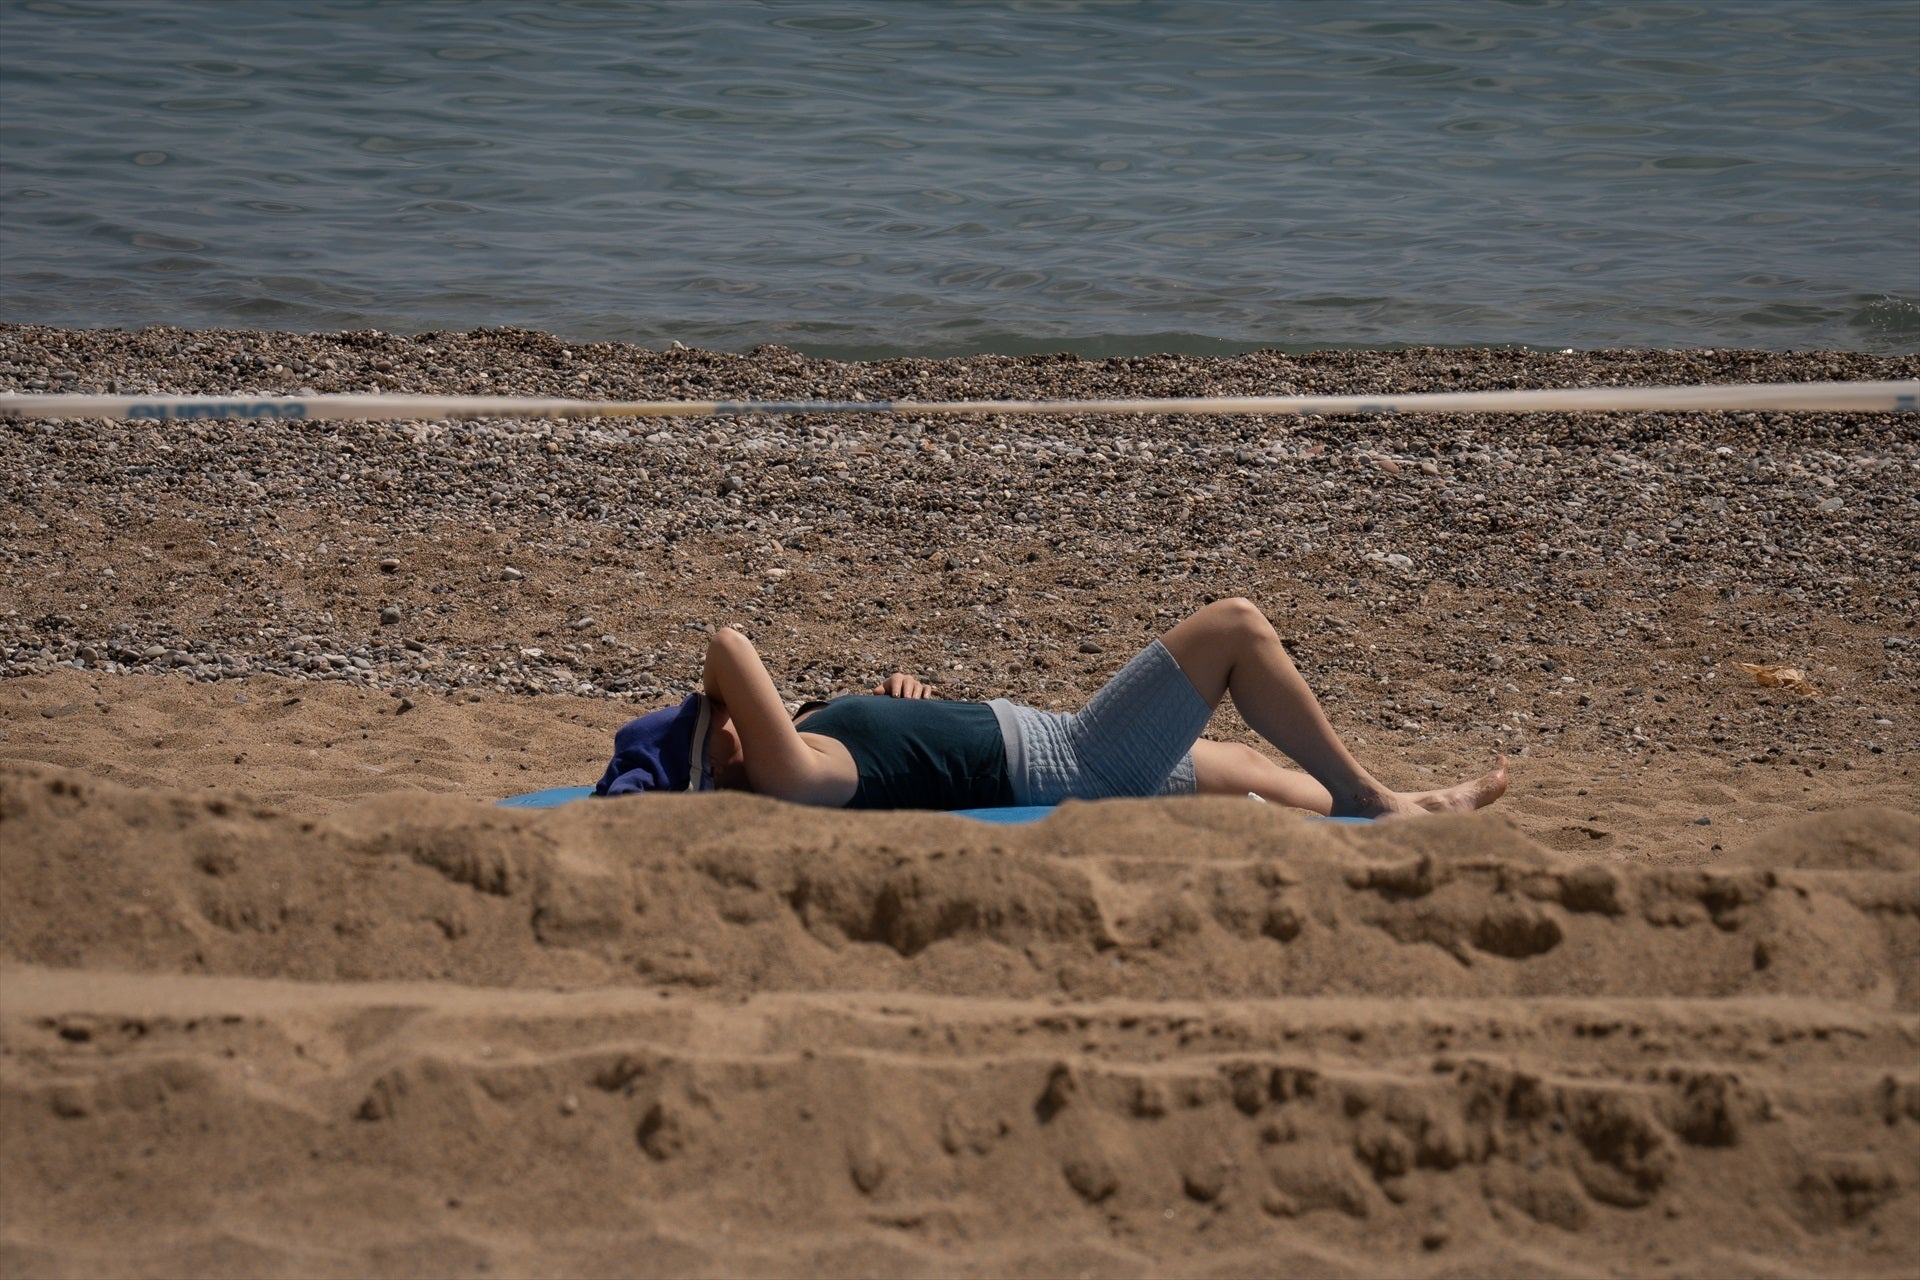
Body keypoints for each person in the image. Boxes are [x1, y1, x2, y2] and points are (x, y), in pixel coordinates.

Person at [675, 597, 1506, 821]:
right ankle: (1380, 800)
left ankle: (1403, 806)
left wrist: (900, 704)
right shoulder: (787, 777)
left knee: (1259, 773)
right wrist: (718, 701)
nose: (728, 717)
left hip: (1058, 749)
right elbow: (729, 645)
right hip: (1071, 760)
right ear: (716, 764)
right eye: (717, 728)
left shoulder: (804, 754)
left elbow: (906, 762)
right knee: (1235, 628)